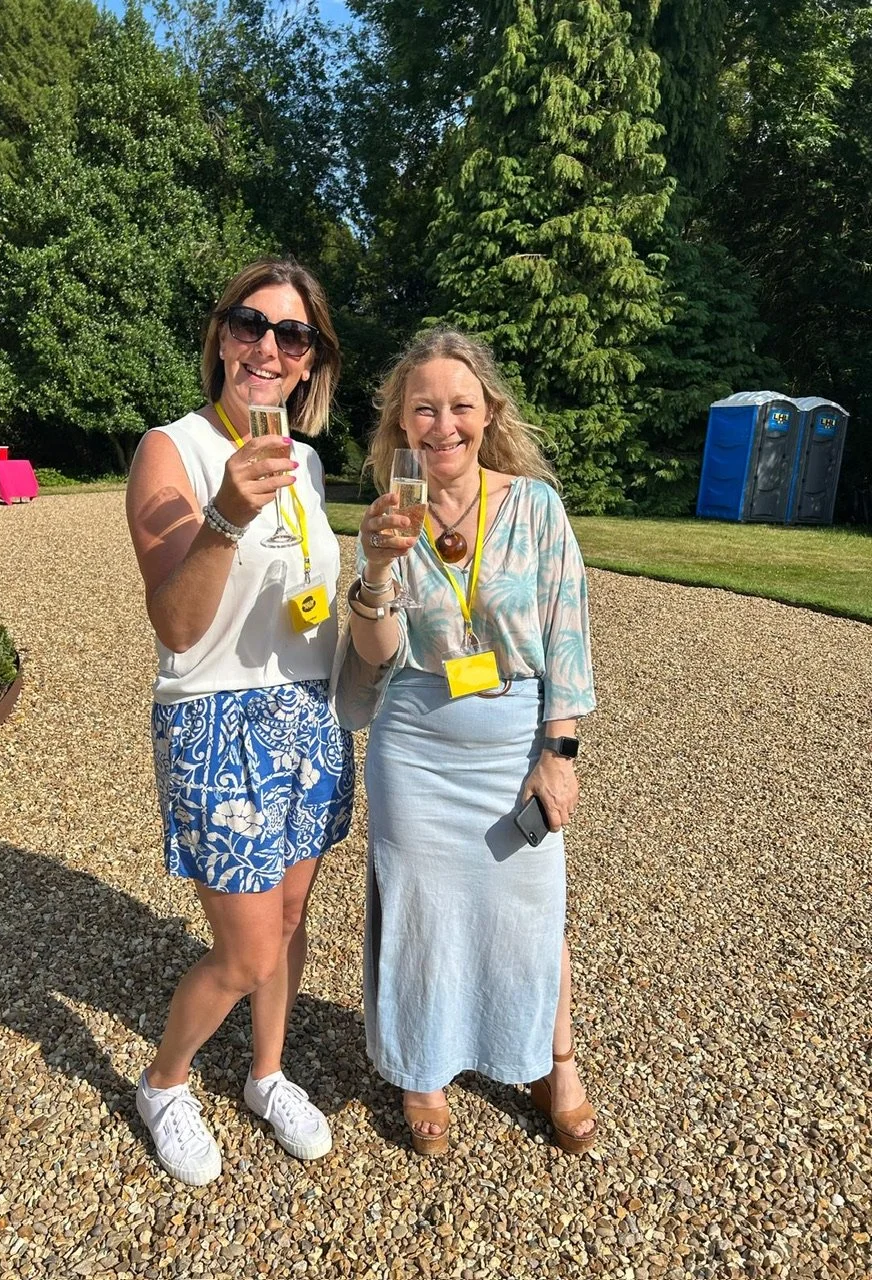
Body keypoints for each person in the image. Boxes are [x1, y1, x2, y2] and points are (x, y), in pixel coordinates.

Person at [334, 328, 598, 1155]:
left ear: (487, 412)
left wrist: (559, 754)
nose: (442, 424)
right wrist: (375, 574)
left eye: (459, 405)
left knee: (533, 907)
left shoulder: (533, 507)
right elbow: (375, 660)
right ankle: (422, 1067)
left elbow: (566, 635)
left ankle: (554, 1061)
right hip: (415, 747)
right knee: (423, 911)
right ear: (401, 424)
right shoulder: (389, 518)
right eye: (424, 409)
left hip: (513, 743)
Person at [126, 257, 354, 1185]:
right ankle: (163, 1083)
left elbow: (311, 595)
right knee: (246, 945)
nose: (268, 345)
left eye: (291, 334)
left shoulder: (306, 460)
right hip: (216, 719)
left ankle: (267, 1073)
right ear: (221, 336)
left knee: (294, 911)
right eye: (250, 324)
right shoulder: (171, 449)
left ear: (310, 363)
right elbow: (178, 625)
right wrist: (224, 511)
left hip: (308, 710)